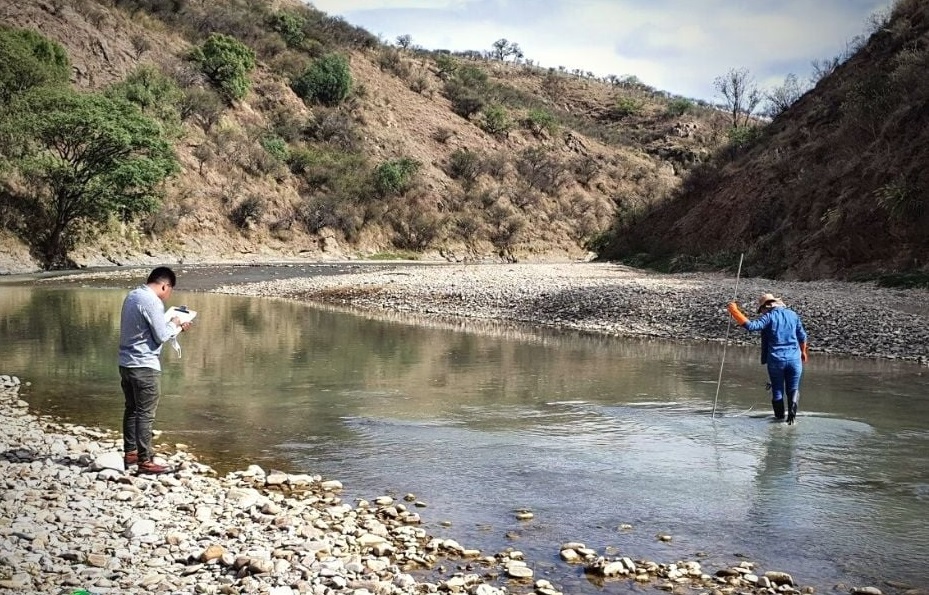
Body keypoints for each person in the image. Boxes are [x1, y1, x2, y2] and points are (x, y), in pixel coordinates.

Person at [118, 267, 192, 474]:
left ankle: (131, 452)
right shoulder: (152, 301)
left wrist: (172, 327)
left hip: (126, 363)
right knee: (145, 413)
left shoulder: (133, 295)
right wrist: (176, 324)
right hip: (144, 365)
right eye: (170, 290)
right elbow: (160, 335)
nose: (169, 295)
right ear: (164, 285)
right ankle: (145, 461)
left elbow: (146, 331)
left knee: (132, 408)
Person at [727, 293, 808, 424]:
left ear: (766, 306)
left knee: (777, 389)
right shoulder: (793, 315)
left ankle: (779, 420)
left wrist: (734, 311)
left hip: (776, 360)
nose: (762, 312)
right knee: (793, 388)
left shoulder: (769, 317)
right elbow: (802, 336)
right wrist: (803, 352)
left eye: (762, 310)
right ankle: (792, 413)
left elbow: (751, 327)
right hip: (795, 359)